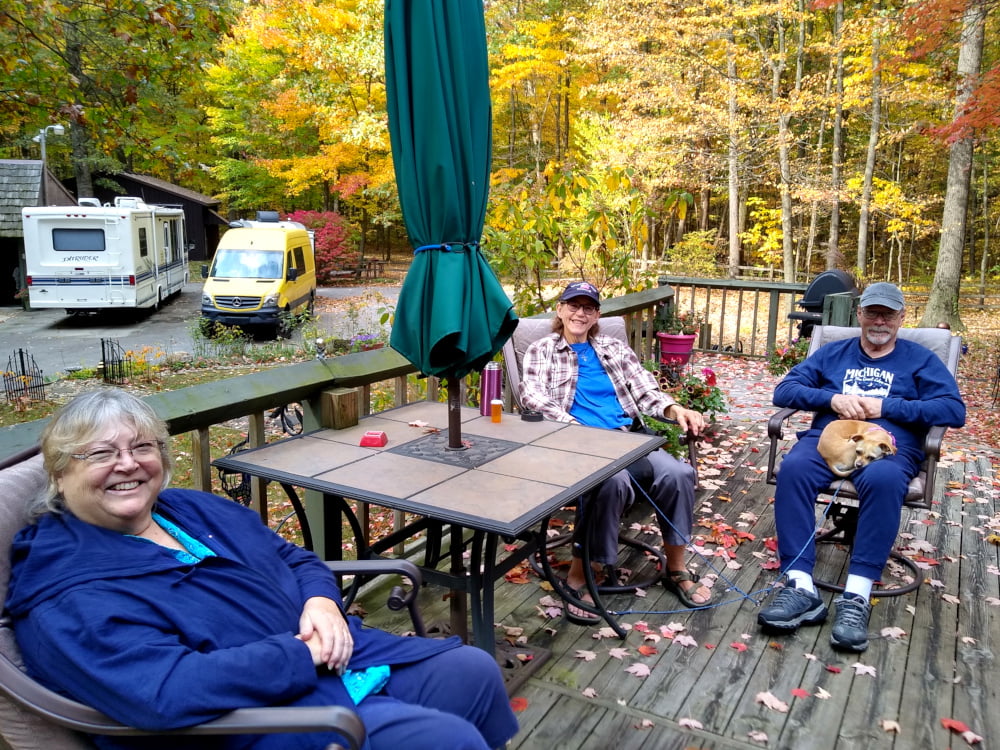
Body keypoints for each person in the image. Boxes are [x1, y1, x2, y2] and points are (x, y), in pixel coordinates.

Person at [4, 389, 518, 750]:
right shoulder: (65, 593)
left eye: (142, 447)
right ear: (59, 473)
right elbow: (165, 691)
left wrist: (321, 601)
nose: (129, 464)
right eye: (101, 454)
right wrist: (300, 654)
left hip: (333, 662)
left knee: (472, 672)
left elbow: (291, 557)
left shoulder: (187, 511)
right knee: (445, 740)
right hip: (251, 720)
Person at [757, 282, 966, 652]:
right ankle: (800, 586)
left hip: (888, 450)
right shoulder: (833, 354)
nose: (880, 321)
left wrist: (885, 407)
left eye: (888, 314)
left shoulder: (920, 360)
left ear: (902, 318)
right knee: (794, 470)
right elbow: (783, 391)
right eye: (872, 312)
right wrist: (833, 398)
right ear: (860, 315)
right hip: (829, 441)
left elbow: (953, 410)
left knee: (884, 481)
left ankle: (856, 596)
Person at [519, 281, 709, 623]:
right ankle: (583, 572)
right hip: (575, 444)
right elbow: (532, 397)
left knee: (679, 474)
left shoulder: (612, 348)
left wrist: (674, 409)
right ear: (560, 310)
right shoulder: (542, 350)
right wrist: (574, 427)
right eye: (573, 306)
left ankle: (676, 568)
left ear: (597, 315)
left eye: (588, 308)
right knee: (611, 482)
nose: (580, 313)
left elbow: (645, 390)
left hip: (626, 438)